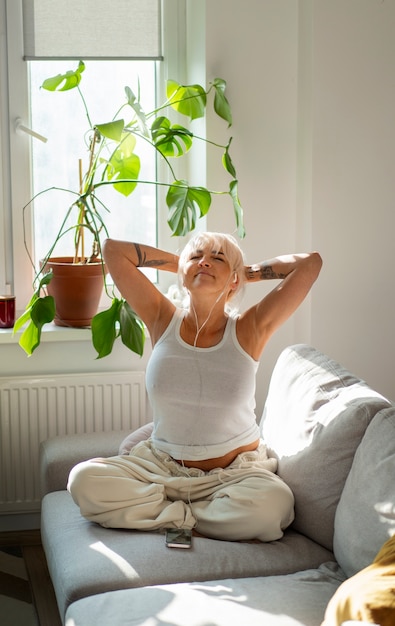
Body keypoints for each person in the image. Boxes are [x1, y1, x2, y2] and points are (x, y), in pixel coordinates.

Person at [68, 232, 322, 542]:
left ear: (234, 282)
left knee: (273, 507)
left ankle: (167, 514)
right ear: (182, 277)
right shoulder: (162, 318)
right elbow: (113, 250)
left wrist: (241, 272)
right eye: (197, 256)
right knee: (83, 481)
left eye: (217, 257)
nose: (204, 261)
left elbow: (311, 264)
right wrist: (189, 265)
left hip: (232, 476)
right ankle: (196, 518)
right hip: (160, 469)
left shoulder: (249, 328)